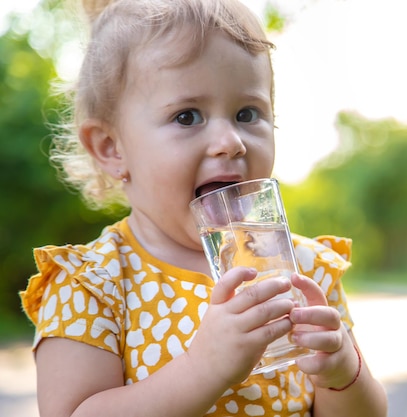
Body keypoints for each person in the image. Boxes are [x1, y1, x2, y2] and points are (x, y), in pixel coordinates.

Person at [19, 0, 388, 416]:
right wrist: (204, 368)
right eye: (188, 116)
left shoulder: (303, 270)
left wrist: (341, 375)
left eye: (247, 112)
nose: (231, 141)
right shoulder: (93, 286)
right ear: (111, 149)